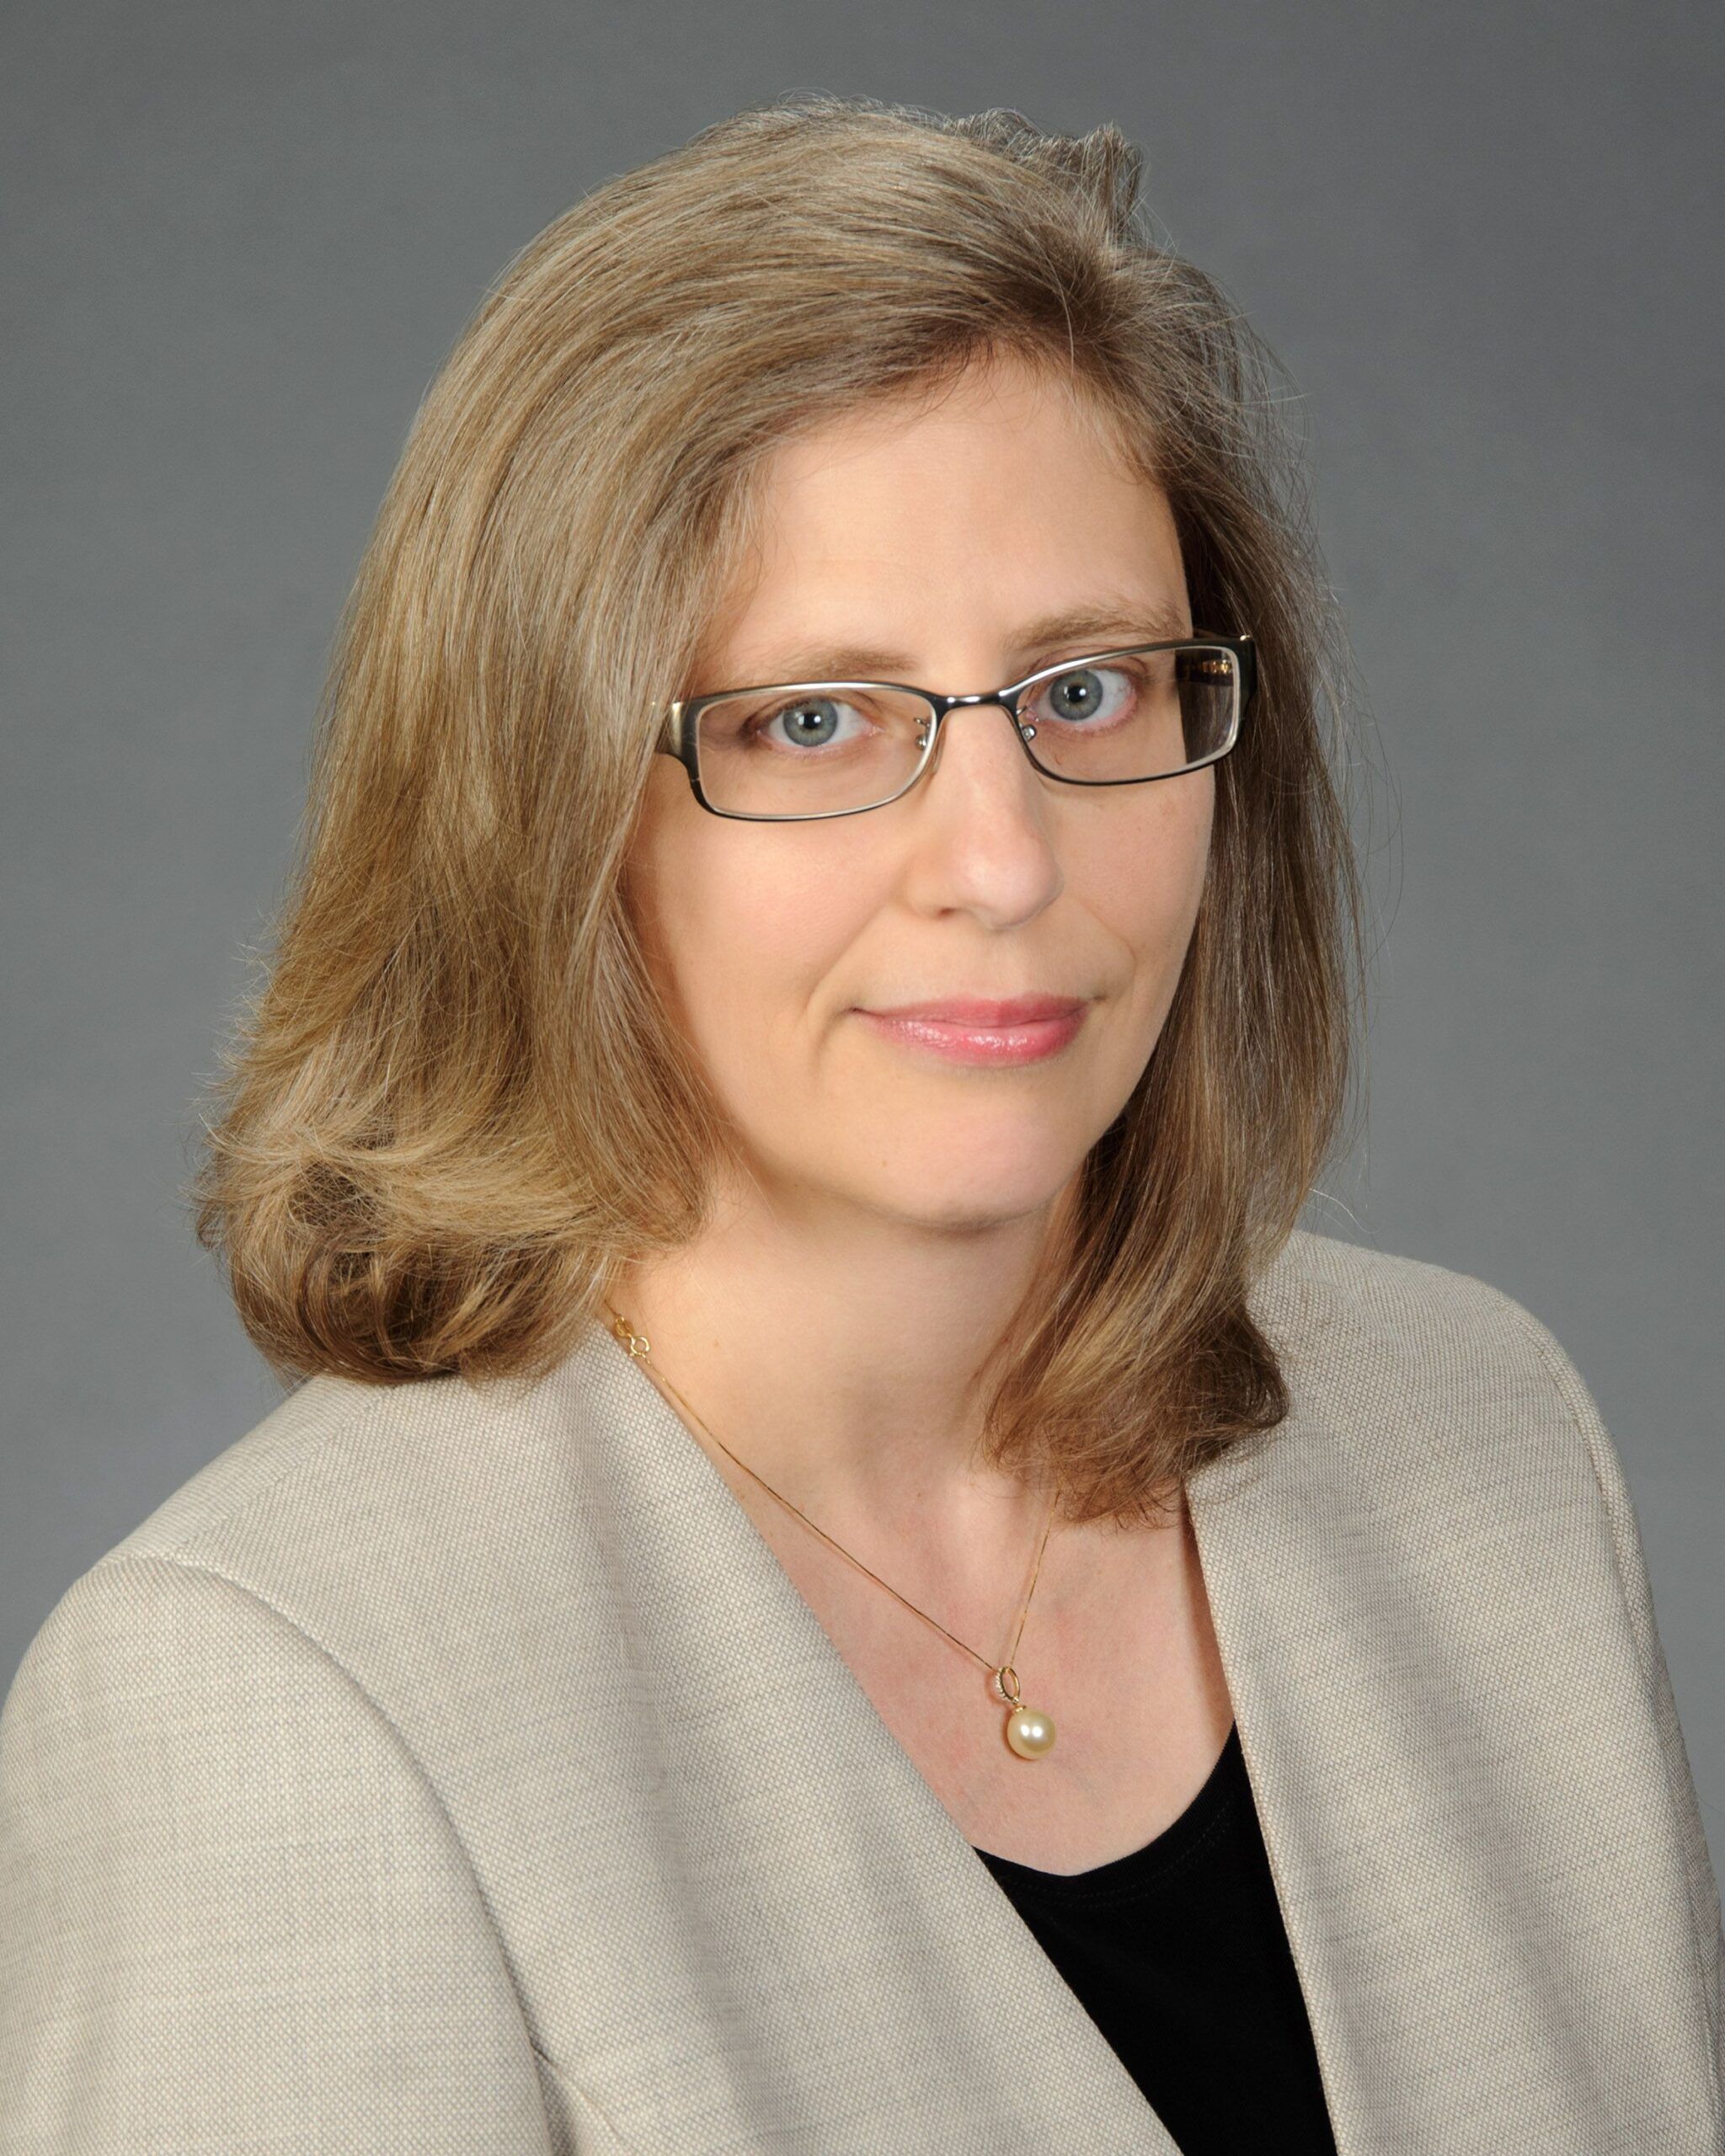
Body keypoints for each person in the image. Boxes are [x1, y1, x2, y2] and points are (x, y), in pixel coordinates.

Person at [1, 92, 1718, 2156]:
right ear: (543, 814)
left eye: (1084, 687)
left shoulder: (1484, 1436)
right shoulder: (270, 1694)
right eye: (813, 720)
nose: (997, 862)